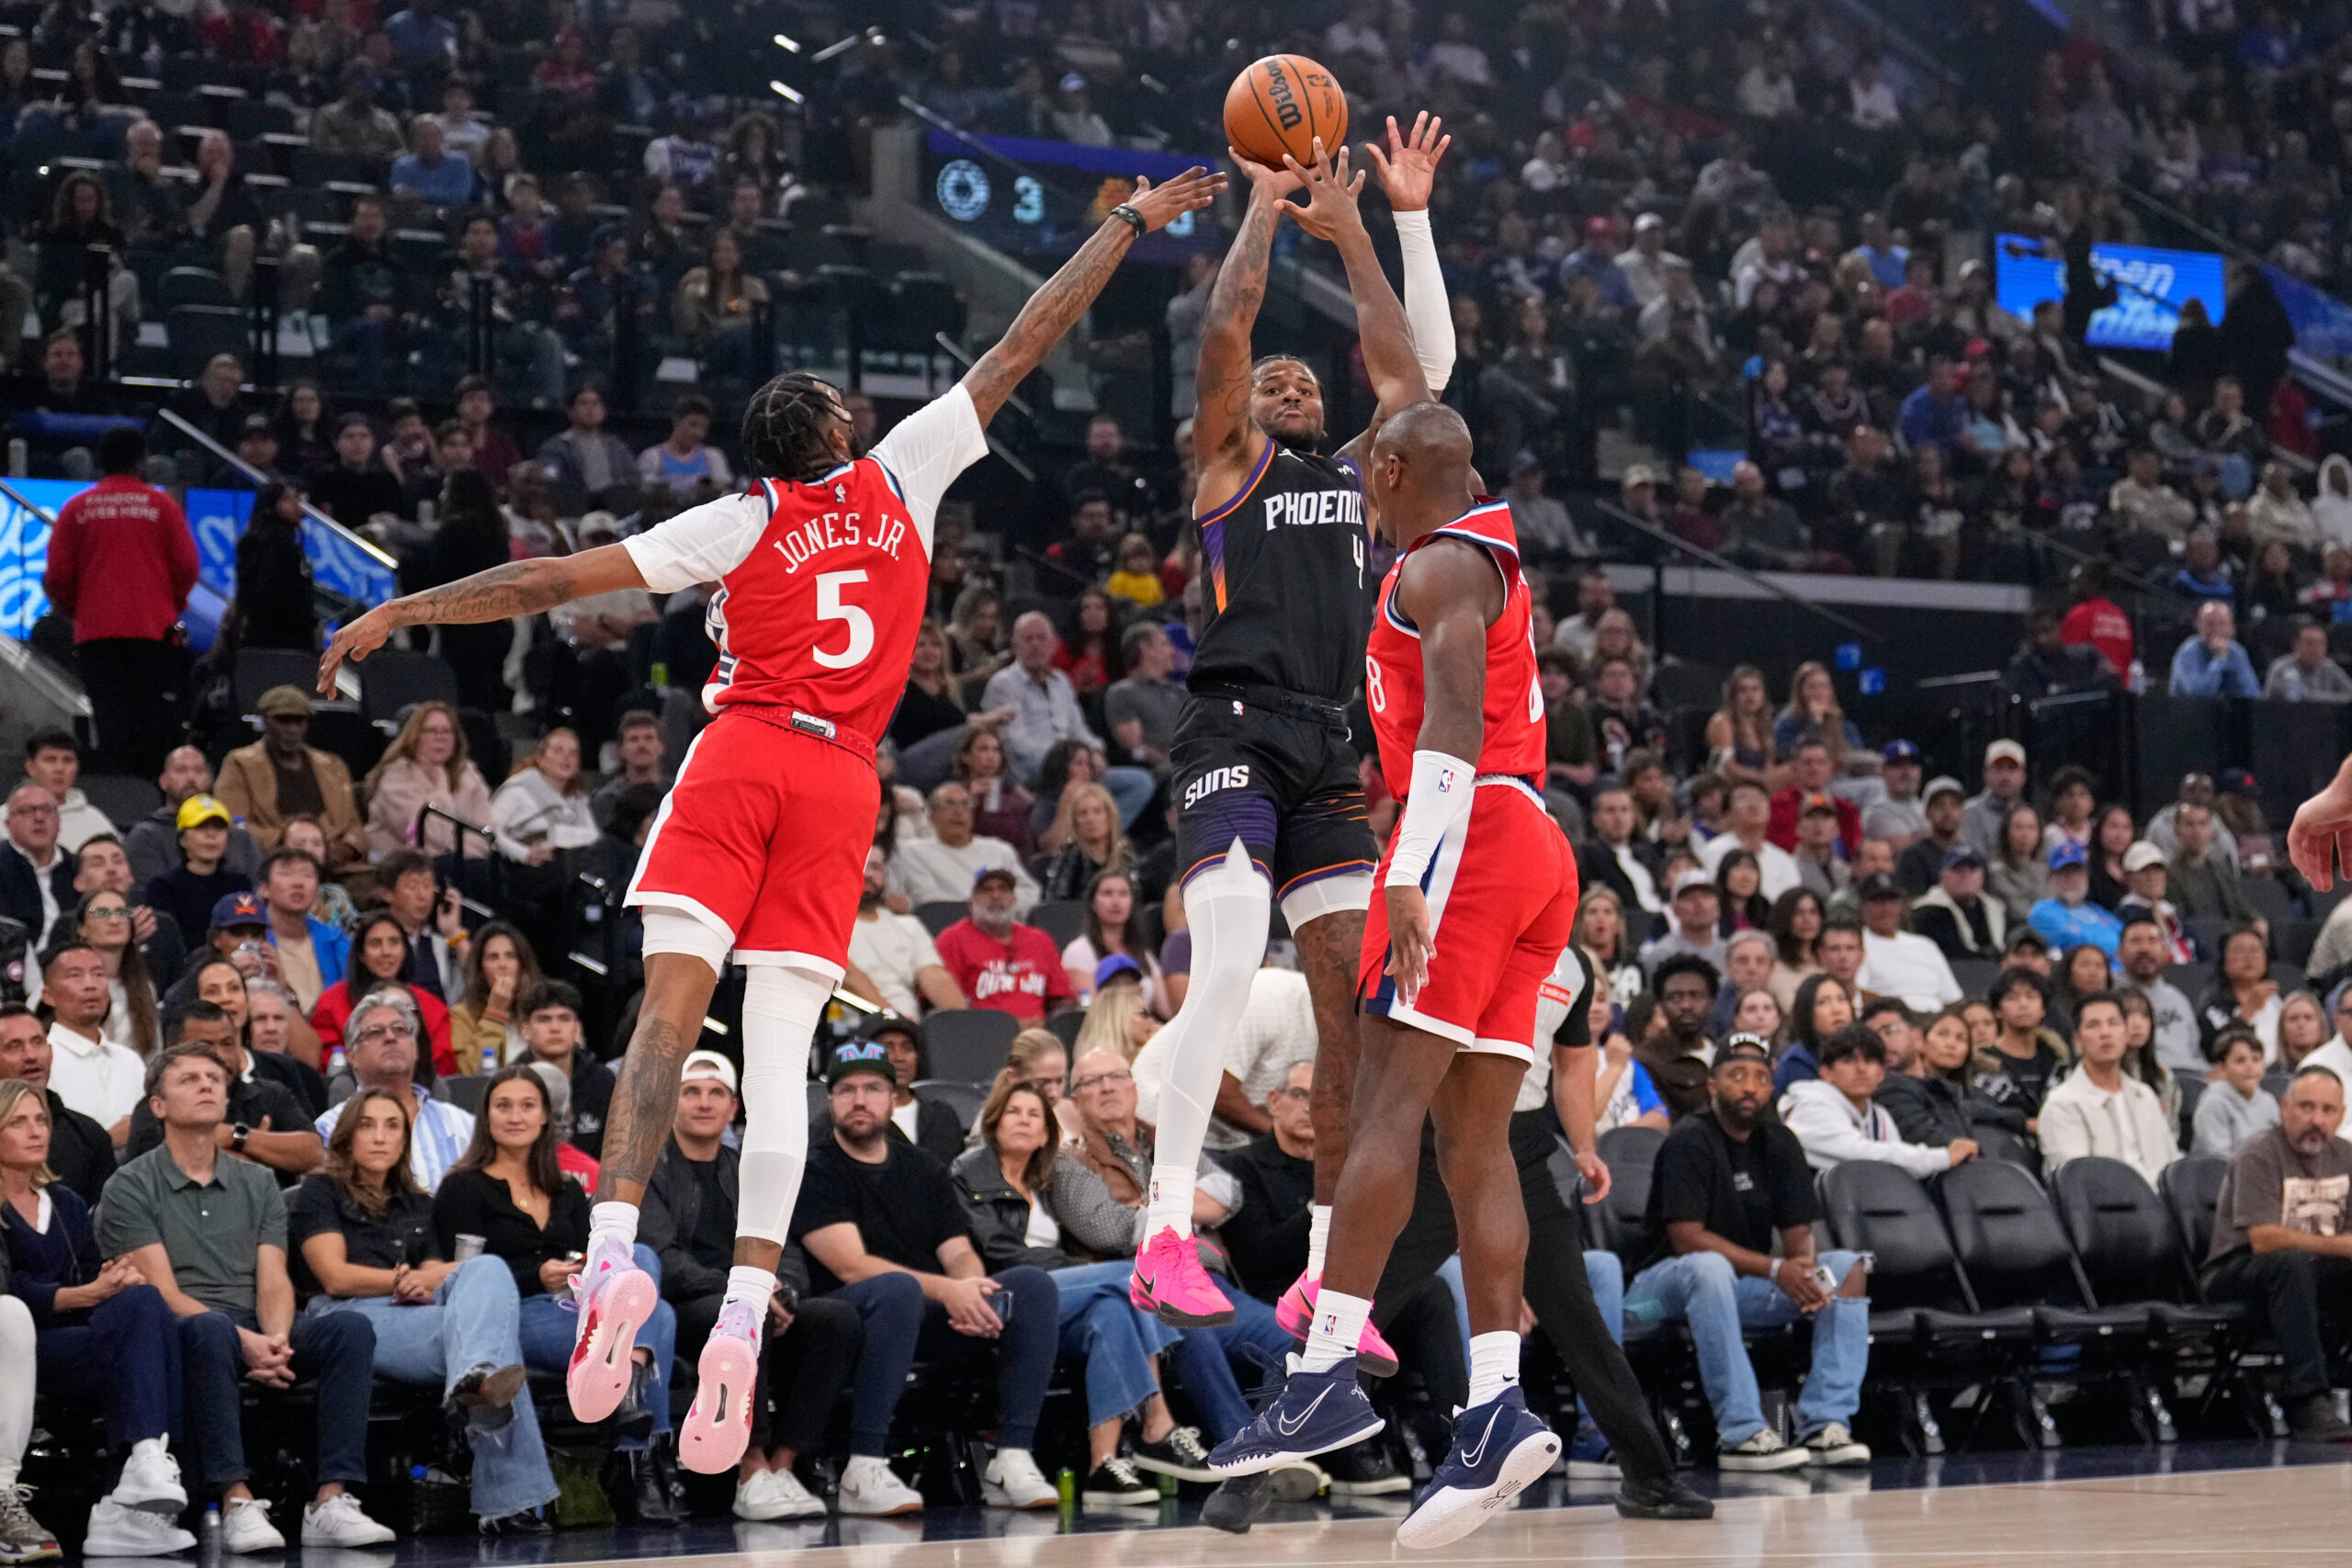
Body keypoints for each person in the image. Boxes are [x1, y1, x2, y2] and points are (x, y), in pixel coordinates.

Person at [317, 164, 1225, 1472]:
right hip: (844, 781)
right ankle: (746, 1304)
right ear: (841, 430)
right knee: (782, 1058)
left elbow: (556, 579)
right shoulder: (903, 473)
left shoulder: (743, 518)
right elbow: (1027, 338)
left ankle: (612, 1256)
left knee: (666, 1021)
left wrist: (408, 607)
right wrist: (1128, 224)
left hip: (745, 753)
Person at [1208, 394, 1583, 1551]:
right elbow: (1405, 374)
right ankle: (1495, 1405)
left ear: (1385, 473)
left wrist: (1411, 867)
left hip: (1467, 841)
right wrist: (1380, 265)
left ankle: (1323, 1373)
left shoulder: (1437, 567)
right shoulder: (1481, 539)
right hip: (1535, 847)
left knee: (1381, 1109)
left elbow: (1453, 725)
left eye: (1367, 464)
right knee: (1476, 1145)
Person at [1128, 122, 1453, 1351]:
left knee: (1345, 1008)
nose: (1289, 385)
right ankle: (1163, 1231)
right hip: (1233, 727)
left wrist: (1371, 225)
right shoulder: (1228, 467)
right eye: (1272, 383)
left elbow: (1416, 379)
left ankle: (1325, 1276)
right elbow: (1225, 332)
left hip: (1330, 753)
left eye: (1303, 381)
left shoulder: (1365, 479)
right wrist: (1264, 207)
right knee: (1222, 966)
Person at [97, 1043, 396, 1549]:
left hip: (257, 1325)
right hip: (184, 1329)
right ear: (158, 1106)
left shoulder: (258, 1181)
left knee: (350, 1329)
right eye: (189, 1079)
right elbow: (161, 1293)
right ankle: (236, 1499)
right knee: (212, 1328)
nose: (206, 1085)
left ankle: (331, 1499)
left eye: (214, 1078)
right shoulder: (130, 1184)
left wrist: (274, 1341)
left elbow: (274, 1278)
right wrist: (246, 1342)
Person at [794, 1040, 1062, 1508]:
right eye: (847, 1090)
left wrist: (970, 1289)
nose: (860, 1100)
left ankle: (1012, 1458)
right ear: (830, 1100)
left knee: (1031, 1285)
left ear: (892, 1097)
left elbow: (958, 1250)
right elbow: (850, 1265)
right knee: (897, 1289)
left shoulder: (924, 1169)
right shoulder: (814, 1169)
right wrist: (949, 1291)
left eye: (873, 1089)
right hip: (849, 1315)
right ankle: (864, 1467)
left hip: (925, 1312)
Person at [290, 1087, 557, 1532]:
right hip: (349, 1318)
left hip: (416, 1313)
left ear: (404, 1139)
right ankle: (510, 1501)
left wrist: (426, 1279)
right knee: (496, 1344)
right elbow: (334, 1276)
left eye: (392, 1126)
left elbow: (435, 1272)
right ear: (347, 1137)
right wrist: (400, 1279)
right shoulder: (320, 1191)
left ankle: (475, 1379)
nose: (380, 1137)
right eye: (367, 1126)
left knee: (488, 1269)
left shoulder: (417, 1201)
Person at [432, 1064, 681, 1520]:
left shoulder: (566, 1188)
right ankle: (638, 1459)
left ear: (546, 1115)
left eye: (527, 1106)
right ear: (486, 1117)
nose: (515, 1116)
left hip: (578, 1306)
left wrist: (579, 1269)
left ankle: (628, 1398)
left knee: (642, 1260)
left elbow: (591, 1252)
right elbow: (467, 1278)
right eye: (503, 1106)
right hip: (517, 1314)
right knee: (659, 1317)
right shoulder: (462, 1188)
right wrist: (536, 1276)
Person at [952, 1077, 1214, 1504]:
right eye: (1014, 1112)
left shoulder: (1046, 1183)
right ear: (994, 1122)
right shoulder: (969, 1172)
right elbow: (997, 1251)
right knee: (1132, 1277)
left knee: (1112, 1313)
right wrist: (1085, 1271)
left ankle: (1102, 1465)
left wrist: (1086, 1273)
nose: (1023, 1120)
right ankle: (1158, 1423)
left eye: (1034, 1115)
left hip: (1064, 1295)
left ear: (1046, 1134)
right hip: (1008, 1290)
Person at [1623, 1039, 1871, 1471]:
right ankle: (1741, 1432)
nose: (1749, 1087)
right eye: (1736, 1076)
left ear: (1772, 1087)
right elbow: (1686, 1239)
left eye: (1760, 1078)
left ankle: (1825, 1424)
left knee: (1846, 1269)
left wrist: (1803, 1271)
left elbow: (1798, 1232)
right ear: (1713, 1085)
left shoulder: (1779, 1140)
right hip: (1658, 1292)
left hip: (1741, 1287)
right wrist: (1777, 1269)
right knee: (1709, 1267)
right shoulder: (1689, 1139)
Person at [640, 1052, 865, 1521]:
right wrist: (745, 1290)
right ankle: (750, 1466)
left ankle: (784, 1464)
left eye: (716, 1093)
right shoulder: (650, 1172)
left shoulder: (751, 1169)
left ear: (733, 1108)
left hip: (758, 1297)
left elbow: (789, 1248)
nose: (704, 1103)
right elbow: (663, 1259)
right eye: (691, 1092)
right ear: (672, 1104)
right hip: (687, 1307)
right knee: (747, 1315)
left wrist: (786, 1291)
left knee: (836, 1320)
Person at [0, 1074, 186, 1557]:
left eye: (41, 1120)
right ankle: (123, 1494)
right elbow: (11, 1291)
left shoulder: (65, 1202)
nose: (36, 1131)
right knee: (137, 1347)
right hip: (25, 1345)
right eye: (18, 1123)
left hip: (79, 1333)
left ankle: (142, 1464)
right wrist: (85, 1294)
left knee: (144, 1303)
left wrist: (110, 1279)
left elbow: (86, 1269)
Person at [2201, 1064, 2352, 1442]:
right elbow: (2264, 1239)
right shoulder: (2259, 1153)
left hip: (2306, 1271)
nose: (2316, 1119)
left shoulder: (2346, 1157)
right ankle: (2307, 1401)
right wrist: (2337, 1246)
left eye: (2327, 1110)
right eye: (2306, 1107)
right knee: (2290, 1262)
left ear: (2341, 1115)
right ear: (2285, 1108)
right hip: (2235, 1270)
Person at [40, 427, 196, 777]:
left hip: (97, 634)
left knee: (110, 724)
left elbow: (58, 576)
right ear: (141, 461)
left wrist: (77, 610)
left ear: (100, 461)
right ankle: (154, 792)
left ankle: (117, 793)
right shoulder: (161, 505)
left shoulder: (77, 508)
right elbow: (187, 566)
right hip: (153, 632)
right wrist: (168, 604)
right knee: (156, 722)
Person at [123, 1001, 319, 1178]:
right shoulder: (159, 1107)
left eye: (227, 1044)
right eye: (204, 1046)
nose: (220, 1056)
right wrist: (262, 1155)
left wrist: (235, 1136)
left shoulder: (271, 1094)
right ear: (175, 1050)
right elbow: (172, 1172)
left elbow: (313, 1152)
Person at [312, 988, 473, 1187]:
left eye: (400, 1030)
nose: (391, 1037)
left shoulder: (461, 1124)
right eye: (375, 1032)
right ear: (353, 1057)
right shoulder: (330, 1128)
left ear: (415, 1049)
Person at [1780, 1023, 1978, 1176]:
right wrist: (1943, 1157)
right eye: (1848, 1061)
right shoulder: (1812, 1104)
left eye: (1870, 1061)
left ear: (1881, 1074)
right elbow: (1859, 1156)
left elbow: (1895, 1173)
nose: (1861, 1069)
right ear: (1826, 1073)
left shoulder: (1879, 1115)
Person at [2038, 991, 2181, 1186]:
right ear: (2078, 1040)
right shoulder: (2062, 1104)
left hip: (2160, 1200)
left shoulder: (2144, 1095)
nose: (2105, 1033)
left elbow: (2171, 1161)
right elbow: (2077, 1181)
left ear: (2126, 1033)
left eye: (2113, 1023)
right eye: (2093, 1025)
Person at [310, 912, 457, 1075]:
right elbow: (330, 1063)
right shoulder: (331, 1003)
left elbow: (443, 1066)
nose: (386, 952)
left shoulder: (431, 1006)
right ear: (361, 954)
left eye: (394, 942)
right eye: (375, 943)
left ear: (405, 951)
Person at [0, 1006, 112, 1207]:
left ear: (51, 1053)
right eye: (14, 1046)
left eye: (38, 1042)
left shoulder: (89, 1135)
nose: (30, 1055)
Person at [362, 703, 495, 862]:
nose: (441, 738)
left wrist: (453, 852)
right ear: (415, 738)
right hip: (406, 866)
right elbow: (431, 836)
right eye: (431, 731)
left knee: (490, 869)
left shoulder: (468, 775)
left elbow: (485, 834)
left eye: (447, 731)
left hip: (461, 862)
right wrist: (439, 784)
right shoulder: (397, 778)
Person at [40, 942, 144, 1140]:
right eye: (75, 975)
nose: (90, 984)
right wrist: (107, 1139)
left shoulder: (130, 1061)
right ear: (48, 995)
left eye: (98, 974)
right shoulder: (42, 1062)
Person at [842, 849, 962, 1019]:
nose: (868, 874)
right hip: (853, 1021)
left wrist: (959, 1021)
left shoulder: (909, 926)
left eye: (875, 867)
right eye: (862, 865)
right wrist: (896, 1022)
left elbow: (935, 977)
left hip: (910, 1024)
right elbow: (850, 977)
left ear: (885, 876)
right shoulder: (831, 923)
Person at [891, 783, 1043, 914]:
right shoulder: (911, 852)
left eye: (965, 805)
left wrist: (1004, 902)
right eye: (949, 804)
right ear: (931, 817)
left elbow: (1030, 892)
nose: (958, 812)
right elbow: (926, 899)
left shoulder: (999, 850)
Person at [128, 749, 262, 891]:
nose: (191, 778)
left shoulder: (240, 836)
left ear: (209, 780)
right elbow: (150, 896)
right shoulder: (146, 836)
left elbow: (260, 890)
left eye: (198, 770)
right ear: (163, 781)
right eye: (181, 770)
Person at [447, 921, 542, 1075]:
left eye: (511, 956)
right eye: (493, 957)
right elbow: (470, 1073)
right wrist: (494, 1014)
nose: (502, 965)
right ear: (481, 969)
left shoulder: (544, 1007)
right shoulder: (463, 1014)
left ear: (522, 964)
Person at [1854, 874, 1962, 1009]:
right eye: (1878, 901)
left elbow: (1953, 998)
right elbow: (1857, 993)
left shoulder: (1925, 945)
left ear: (1901, 905)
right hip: (1891, 1016)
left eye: (1891, 901)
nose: (1886, 908)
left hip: (1936, 1016)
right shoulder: (1856, 944)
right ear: (1863, 906)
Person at [2117, 915, 2204, 1076]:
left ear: (2165, 952)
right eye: (2136, 941)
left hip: (2192, 1076)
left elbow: (2195, 1052)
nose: (2144, 948)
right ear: (2120, 953)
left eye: (2152, 941)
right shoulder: (2110, 998)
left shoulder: (2177, 998)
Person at [2194, 1027, 2282, 1157]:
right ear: (2223, 1067)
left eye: (2256, 1059)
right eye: (2240, 1060)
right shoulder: (2213, 1103)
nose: (2249, 1066)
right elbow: (2217, 1157)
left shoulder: (2268, 1102)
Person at [1909, 845, 2006, 960]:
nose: (1965, 875)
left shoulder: (1996, 909)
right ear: (1943, 876)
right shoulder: (1926, 914)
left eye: (1971, 869)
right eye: (1958, 869)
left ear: (1981, 877)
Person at [19, 733, 108, 855]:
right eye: (50, 760)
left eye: (68, 760)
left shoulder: (96, 822)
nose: (59, 768)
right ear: (31, 767)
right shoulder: (6, 819)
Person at [2030, 841, 2124, 955]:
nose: (2071, 879)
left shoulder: (2097, 911)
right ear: (2050, 878)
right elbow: (2078, 945)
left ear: (2086, 875)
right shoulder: (2042, 911)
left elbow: (2126, 940)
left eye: (2076, 872)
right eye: (2063, 873)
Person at [2170, 601, 2262, 697]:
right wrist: (2220, 659)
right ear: (2199, 626)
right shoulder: (2188, 652)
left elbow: (2252, 692)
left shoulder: (2237, 651)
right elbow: (2198, 695)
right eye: (2210, 624)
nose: (2216, 630)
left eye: (2222, 624)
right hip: (2189, 706)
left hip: (2226, 707)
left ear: (2231, 628)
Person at [2266, 620, 2352, 702]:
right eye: (2309, 643)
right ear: (2296, 645)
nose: (2316, 649)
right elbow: (2299, 698)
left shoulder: (2329, 667)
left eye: (2321, 643)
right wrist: (2337, 699)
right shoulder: (2282, 668)